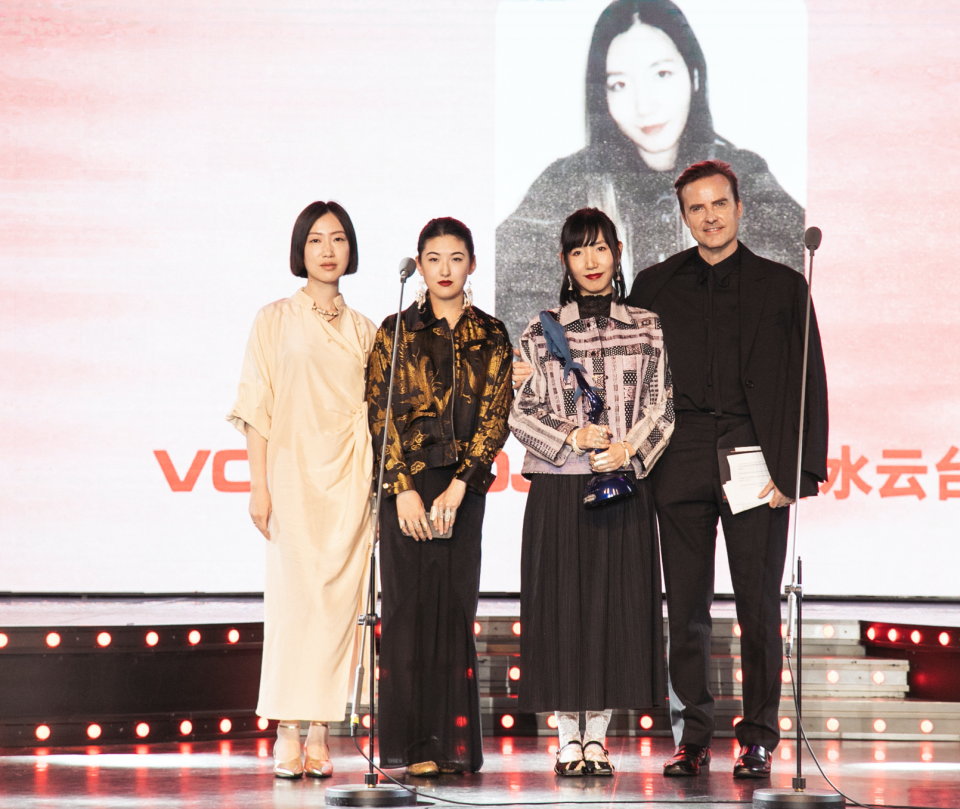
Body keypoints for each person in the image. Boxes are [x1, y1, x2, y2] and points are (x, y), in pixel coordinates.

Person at [626, 160, 828, 778]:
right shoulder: (654, 285)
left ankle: (759, 736)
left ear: (740, 208)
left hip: (755, 458)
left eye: (719, 204)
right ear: (682, 216)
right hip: (679, 458)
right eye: (696, 208)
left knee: (757, 608)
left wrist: (797, 472)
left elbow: (809, 382)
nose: (709, 216)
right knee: (685, 608)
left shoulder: (783, 285)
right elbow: (624, 374)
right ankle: (691, 736)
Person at [496, 0, 804, 347]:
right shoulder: (566, 183)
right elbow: (514, 292)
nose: (644, 105)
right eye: (619, 85)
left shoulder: (742, 176)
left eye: (661, 75)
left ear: (694, 74)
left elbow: (787, 289)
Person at [509, 207, 674, 777]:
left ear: (618, 251)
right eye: (579, 251)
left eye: (600, 248)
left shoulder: (647, 325)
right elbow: (517, 411)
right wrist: (572, 435)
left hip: (621, 484)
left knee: (610, 609)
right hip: (559, 490)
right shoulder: (542, 329)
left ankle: (597, 738)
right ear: (565, 261)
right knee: (560, 610)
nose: (591, 261)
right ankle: (565, 737)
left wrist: (629, 448)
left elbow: (664, 406)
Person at [227, 201, 377, 778]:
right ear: (301, 249)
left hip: (348, 478)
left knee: (338, 609)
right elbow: (256, 409)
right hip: (290, 479)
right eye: (316, 240)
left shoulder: (366, 329)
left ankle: (322, 729)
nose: (328, 250)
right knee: (294, 606)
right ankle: (287, 727)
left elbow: (372, 410)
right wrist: (257, 485)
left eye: (338, 239)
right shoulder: (273, 320)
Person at [367, 217, 513, 776]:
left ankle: (451, 746)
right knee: (404, 614)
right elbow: (380, 415)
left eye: (456, 257)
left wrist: (459, 486)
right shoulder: (395, 330)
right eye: (433, 258)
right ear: (419, 265)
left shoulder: (492, 333)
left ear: (471, 264)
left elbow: (495, 418)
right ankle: (412, 748)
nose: (445, 269)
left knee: (453, 613)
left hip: (462, 487)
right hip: (405, 488)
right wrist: (402, 490)